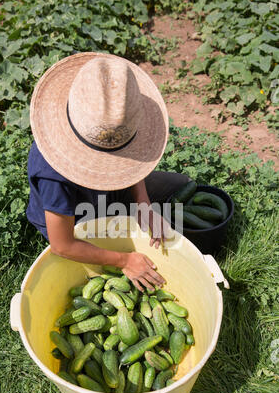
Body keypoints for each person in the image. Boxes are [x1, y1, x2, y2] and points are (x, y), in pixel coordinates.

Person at [27, 52, 190, 292]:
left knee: (179, 183)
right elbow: (62, 245)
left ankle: (125, 216)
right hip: (75, 220)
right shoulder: (53, 173)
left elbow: (133, 165)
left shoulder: (117, 118)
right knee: (103, 254)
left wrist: (143, 204)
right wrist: (124, 260)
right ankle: (114, 237)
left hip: (106, 194)